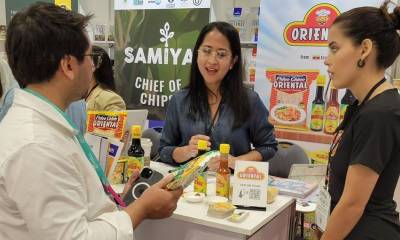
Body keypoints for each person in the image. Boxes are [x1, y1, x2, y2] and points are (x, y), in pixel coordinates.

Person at [0, 3, 182, 240]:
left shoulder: (47, 124)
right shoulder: (37, 146)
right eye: (90, 57)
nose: (93, 66)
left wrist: (119, 199)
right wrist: (142, 209)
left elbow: (72, 203)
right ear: (68, 66)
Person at [321, 2, 400, 239]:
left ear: (364, 48)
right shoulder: (363, 105)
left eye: (334, 48)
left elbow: (353, 204)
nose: (327, 60)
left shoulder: (380, 114)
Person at [159, 21, 277, 169]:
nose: (212, 61)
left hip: (231, 186)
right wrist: (186, 151)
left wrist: (235, 161)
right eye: (207, 51)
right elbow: (163, 150)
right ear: (197, 54)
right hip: (189, 188)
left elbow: (268, 147)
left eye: (221, 54)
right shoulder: (179, 100)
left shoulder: (249, 100)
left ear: (233, 61)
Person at [86, 45, 126, 111]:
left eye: (81, 61)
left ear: (93, 66)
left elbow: (116, 120)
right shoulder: (77, 95)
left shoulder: (110, 100)